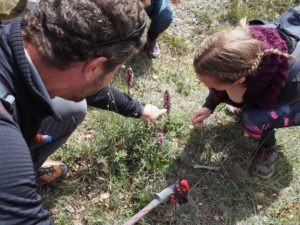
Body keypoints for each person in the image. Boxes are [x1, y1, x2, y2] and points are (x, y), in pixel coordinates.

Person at [0, 0, 166, 223]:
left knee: (73, 108)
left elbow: (81, 82)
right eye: (115, 70)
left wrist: (137, 108)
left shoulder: (20, 37)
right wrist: (14, 179)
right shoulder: (5, 150)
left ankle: (29, 168)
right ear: (95, 67)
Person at [191, 13, 300, 179]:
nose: (209, 88)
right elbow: (224, 80)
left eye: (212, 86)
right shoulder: (246, 49)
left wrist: (239, 100)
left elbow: (262, 103)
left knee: (253, 119)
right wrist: (209, 104)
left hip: (293, 95)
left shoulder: (286, 82)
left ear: (240, 80)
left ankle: (268, 149)